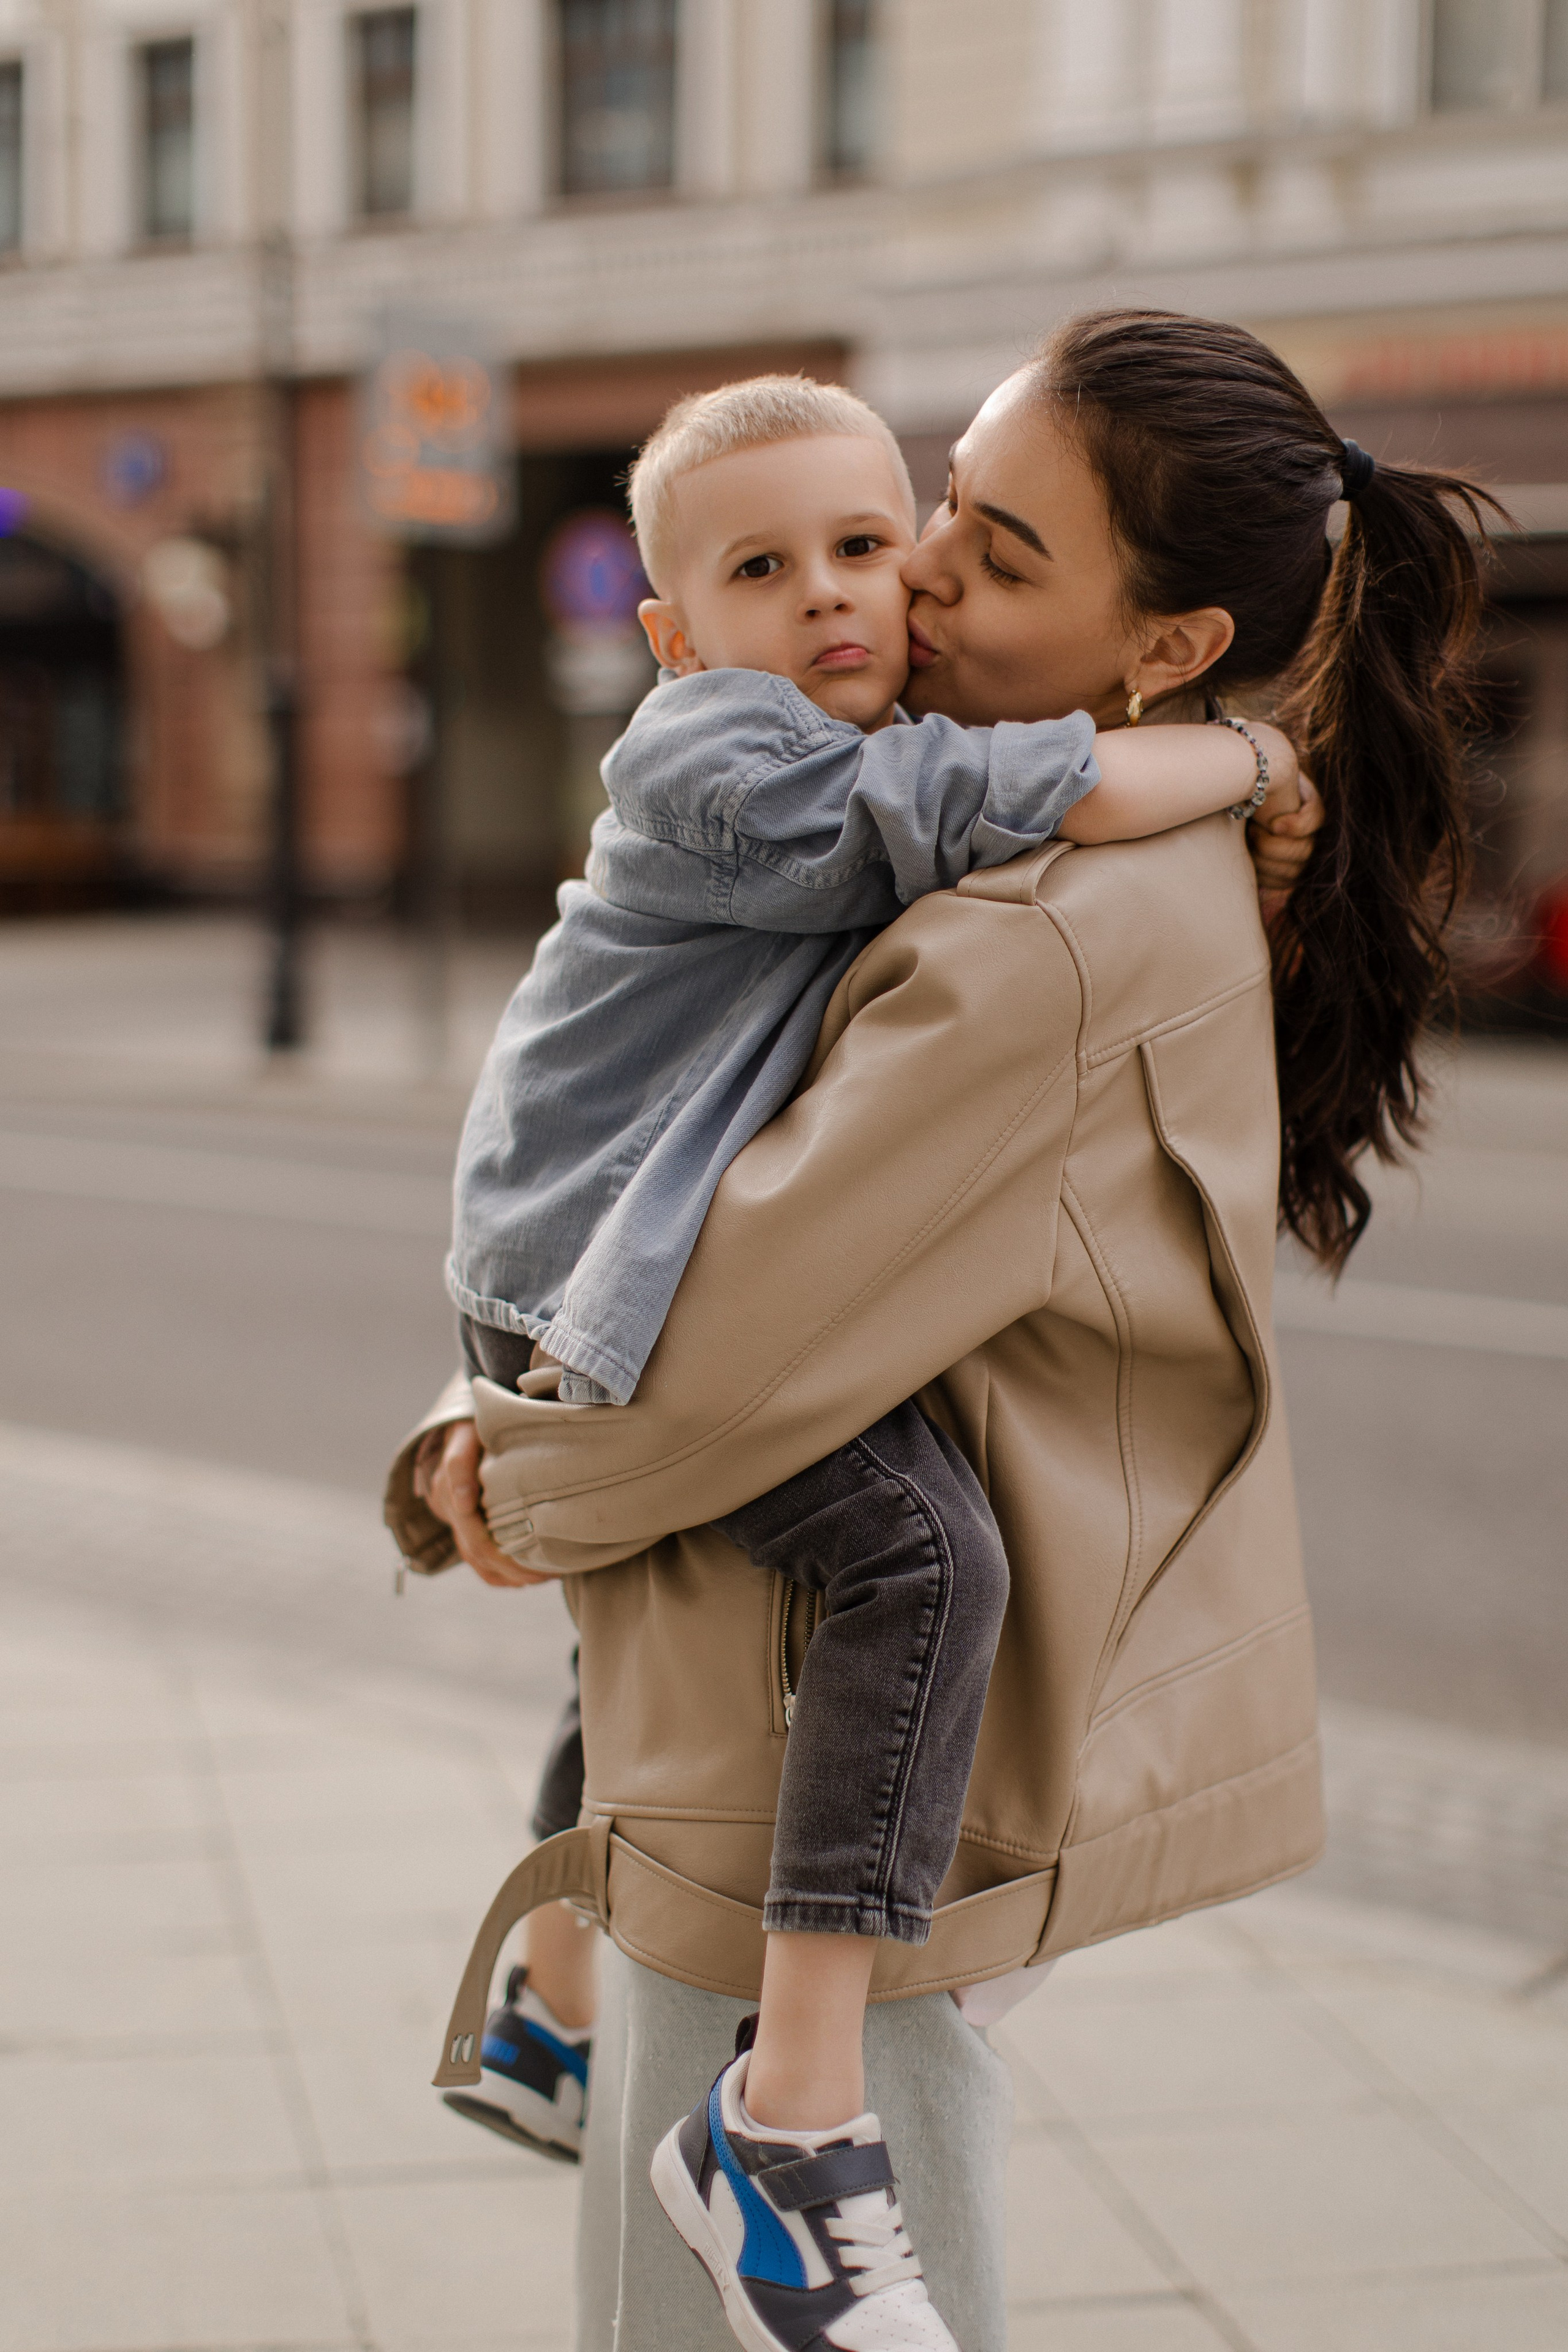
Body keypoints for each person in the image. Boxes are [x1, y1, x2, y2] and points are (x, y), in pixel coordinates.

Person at [390, 309, 1491, 2352]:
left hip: (799, 1754)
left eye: (982, 545)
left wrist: (498, 1450)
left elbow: (734, 1348)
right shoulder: (989, 822)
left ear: (1163, 648)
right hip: (778, 1728)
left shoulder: (1039, 921)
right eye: (949, 515)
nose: (905, 584)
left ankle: (771, 2137)